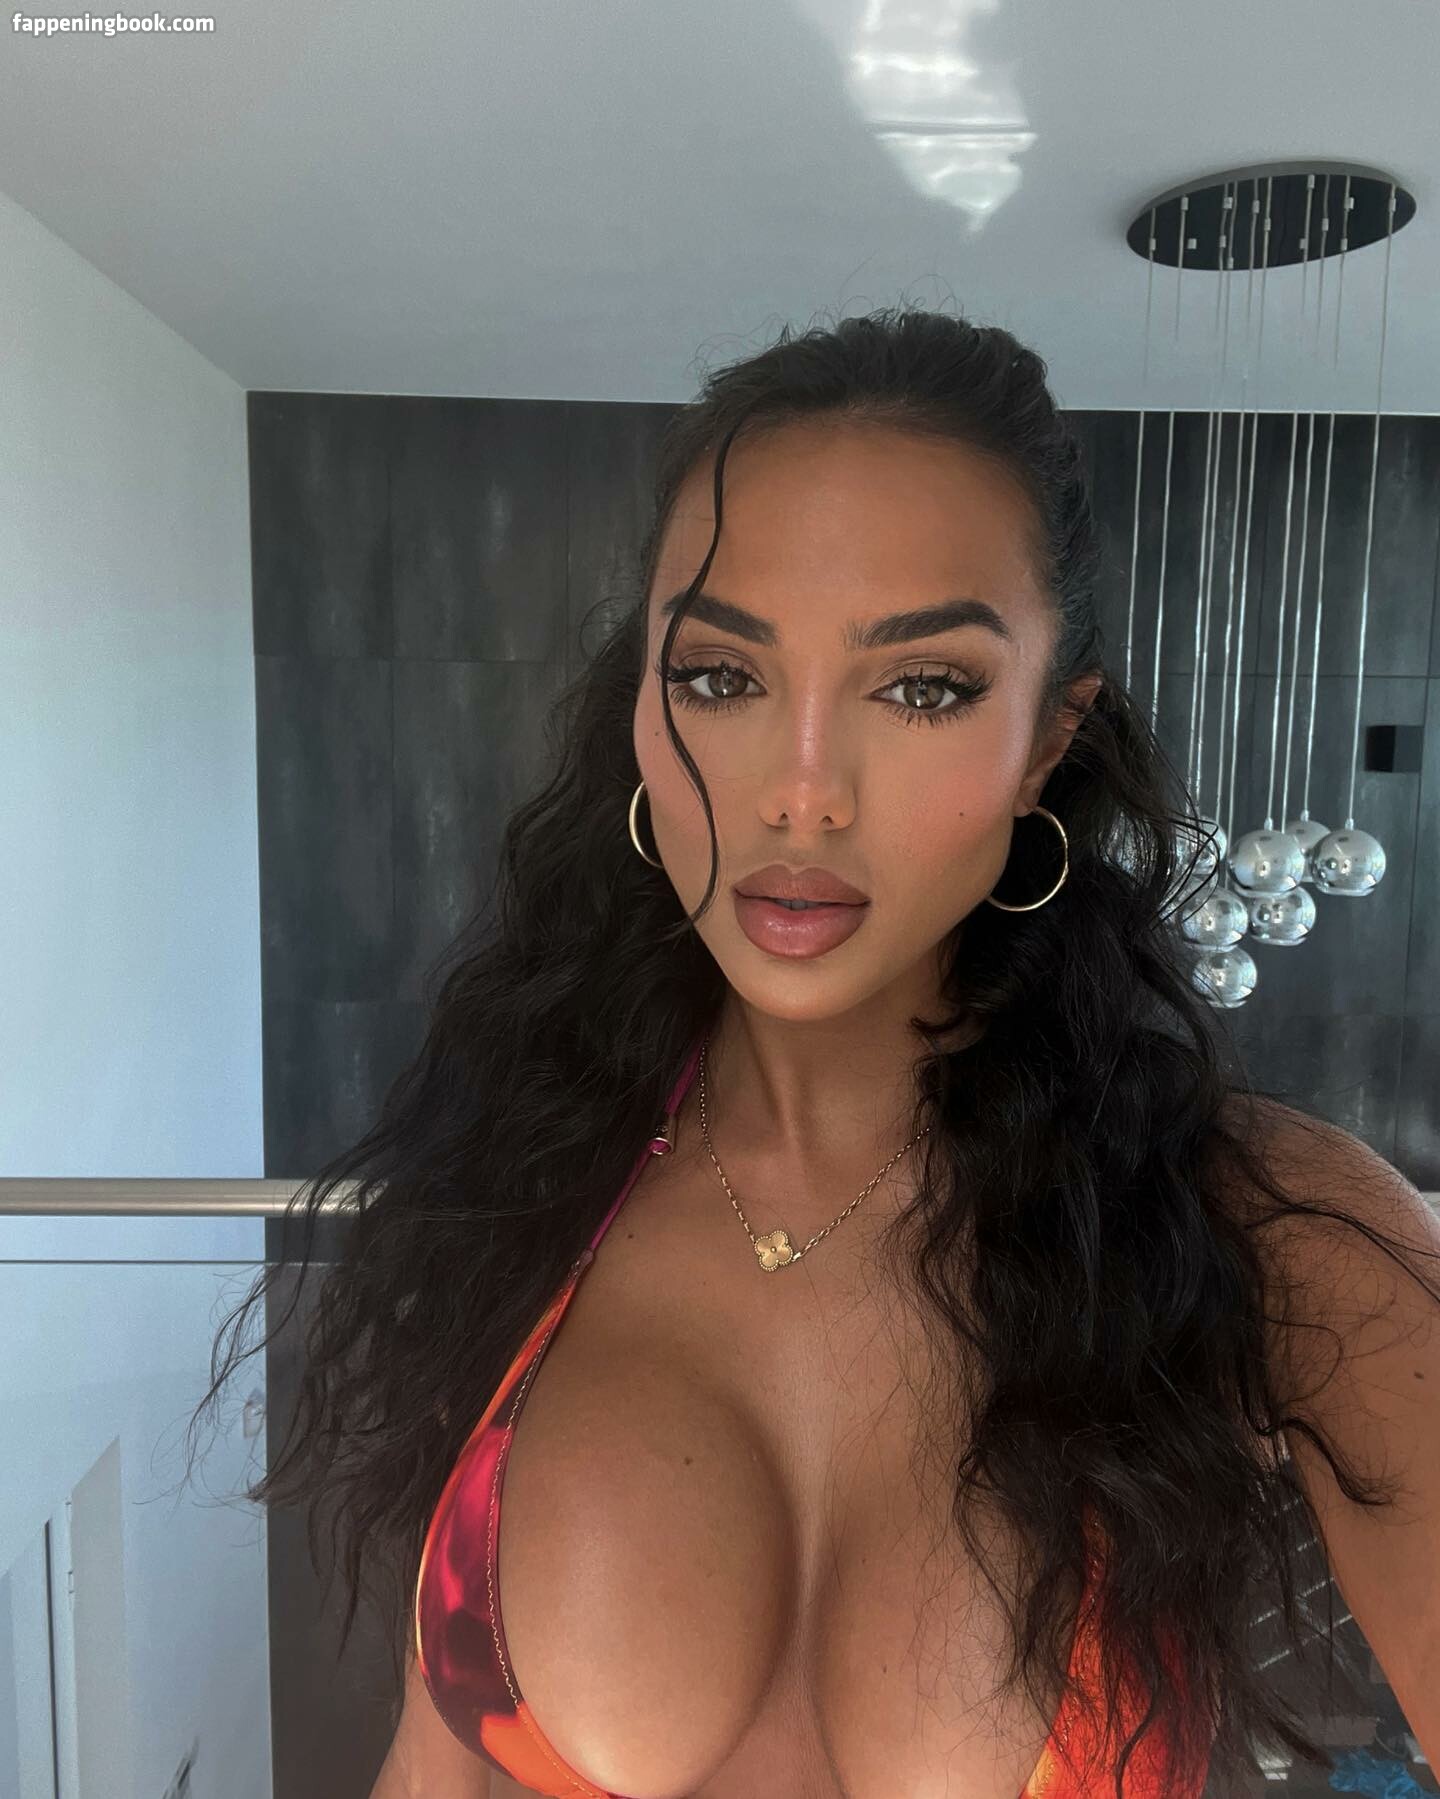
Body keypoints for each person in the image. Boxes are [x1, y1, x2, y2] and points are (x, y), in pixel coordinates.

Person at [195, 307, 1440, 1799]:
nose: (801, 794)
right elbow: (430, 1770)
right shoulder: (520, 1175)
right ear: (642, 704)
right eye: (722, 676)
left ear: (1049, 743)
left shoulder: (1283, 1240)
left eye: (924, 687)